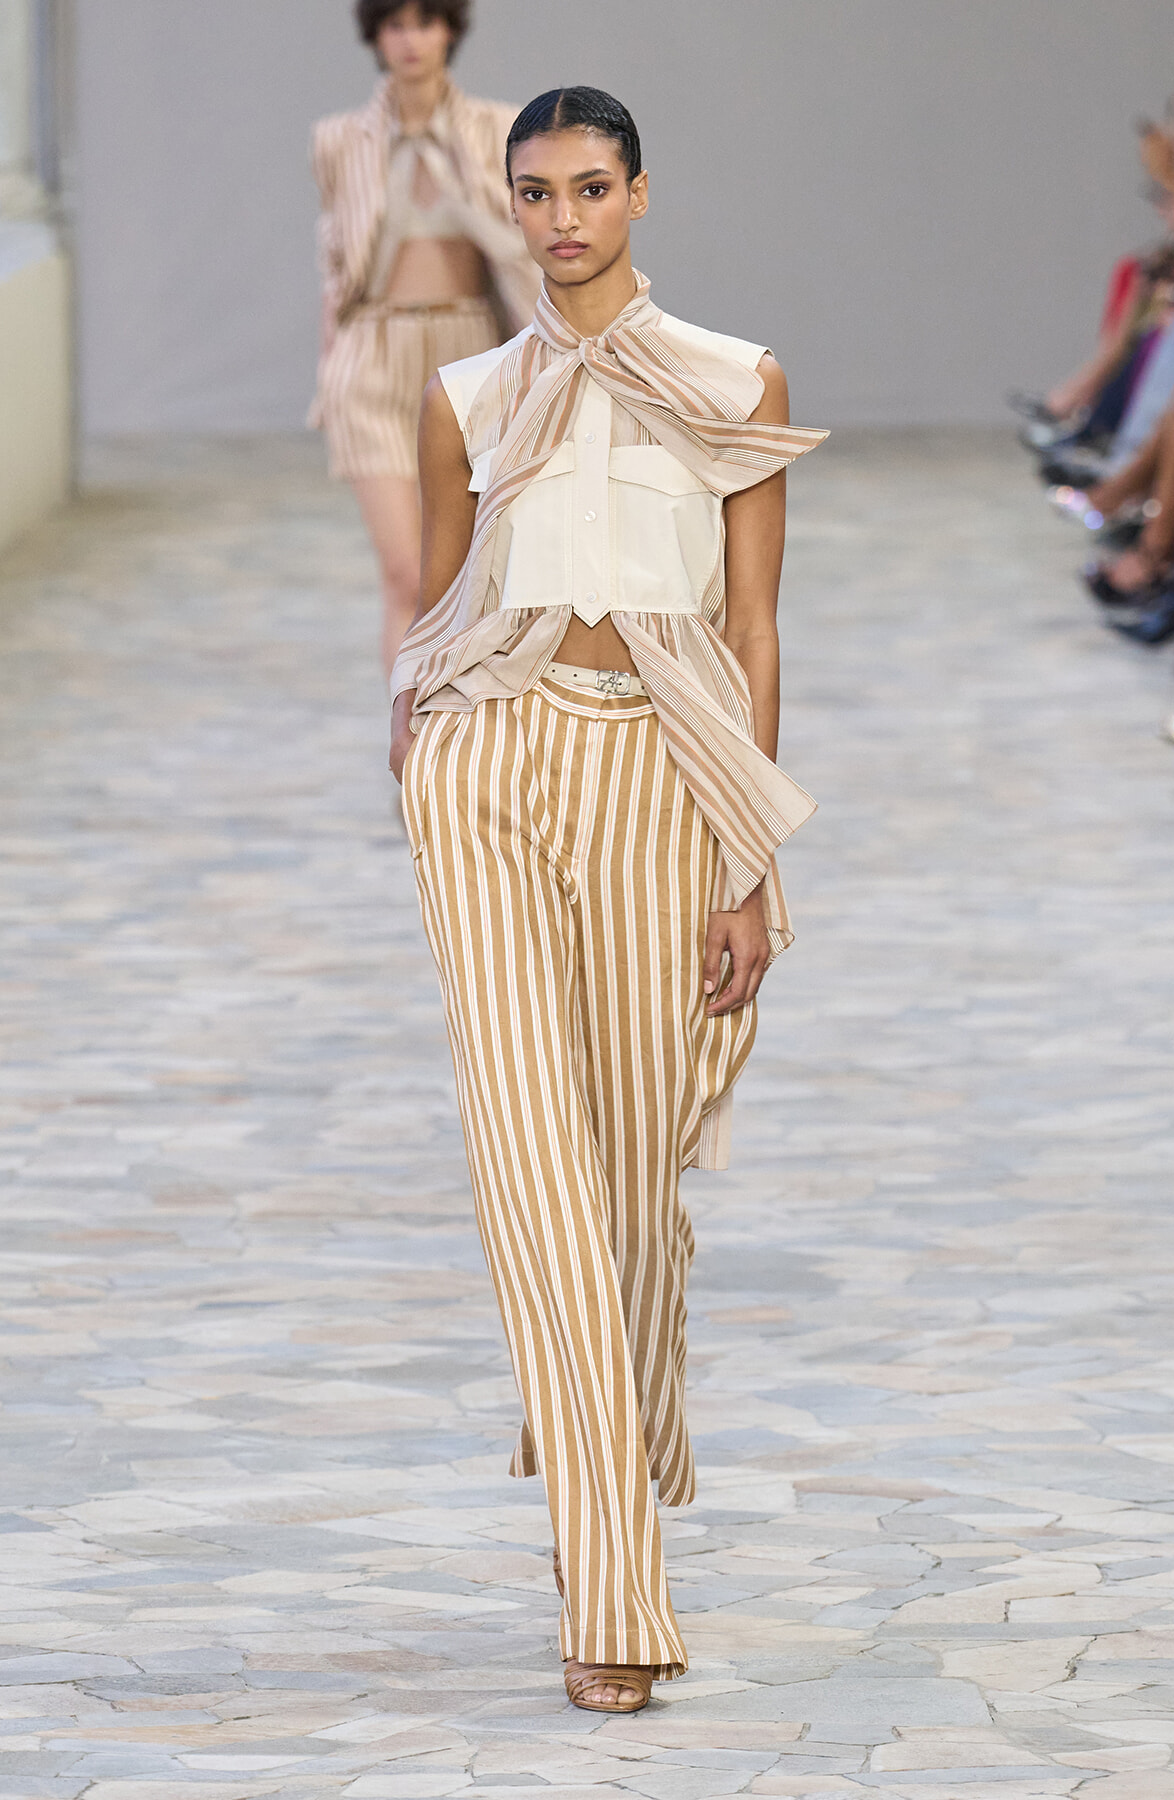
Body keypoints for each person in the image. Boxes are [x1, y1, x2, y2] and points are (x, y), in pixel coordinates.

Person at [388, 86, 826, 1714]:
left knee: (634, 1186)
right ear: (511, 206)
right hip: (490, 770)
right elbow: (441, 598)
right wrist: (415, 734)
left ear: (641, 191)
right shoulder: (467, 394)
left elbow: (757, 638)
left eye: (589, 186)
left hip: (659, 778)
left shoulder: (735, 380)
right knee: (535, 1176)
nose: (560, 215)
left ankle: (612, 1441)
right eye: (536, 191)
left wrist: (747, 863)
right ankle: (610, 1587)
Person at [309, 0, 540, 672]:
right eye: (395, 25)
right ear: (376, 37)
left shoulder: (498, 130)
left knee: (467, 577)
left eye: (426, 22)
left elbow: (527, 246)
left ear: (450, 32)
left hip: (470, 355)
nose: (411, 41)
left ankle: (458, 750)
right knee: (405, 572)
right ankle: (411, 755)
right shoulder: (337, 141)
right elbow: (334, 264)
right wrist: (328, 371)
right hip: (372, 358)